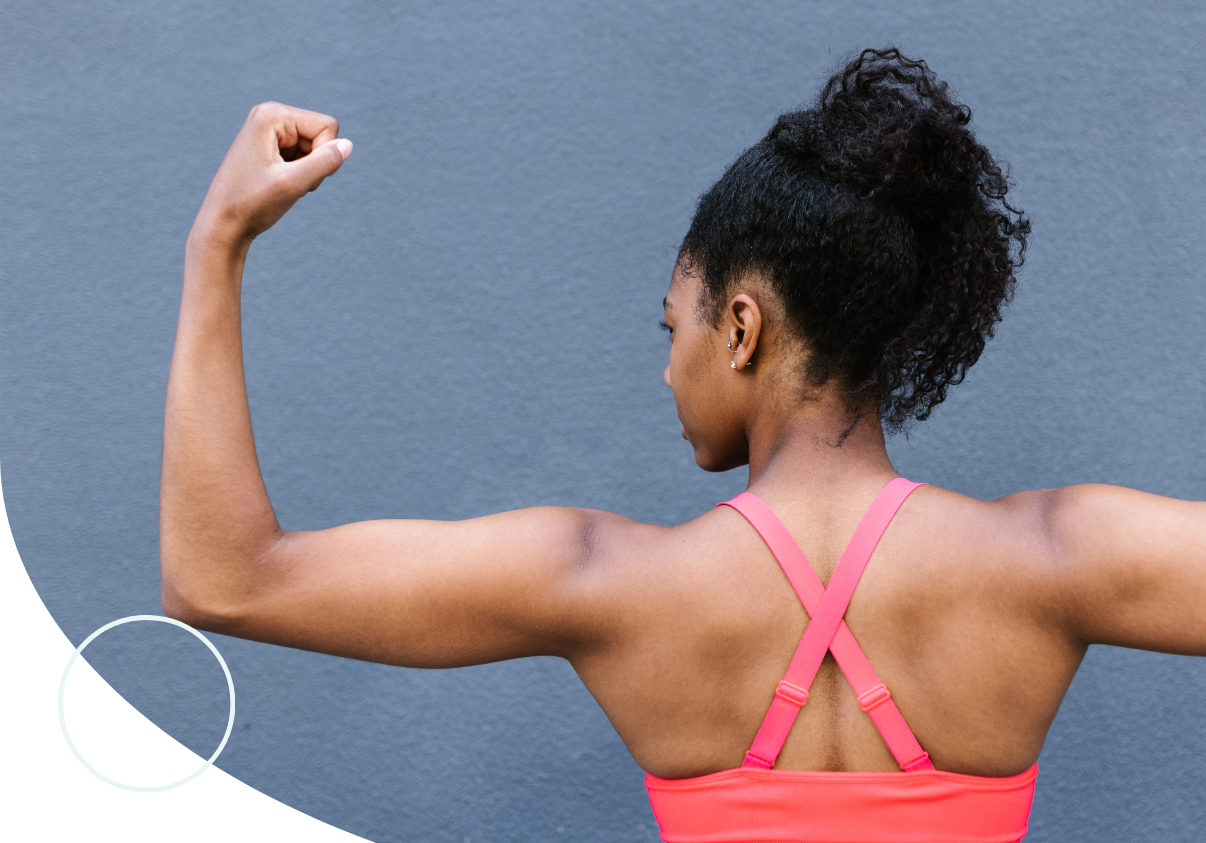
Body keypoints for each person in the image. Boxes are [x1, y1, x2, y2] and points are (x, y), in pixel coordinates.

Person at [160, 48, 1205, 842]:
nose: (668, 369)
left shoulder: (608, 583)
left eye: (677, 328)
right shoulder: (1063, 557)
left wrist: (219, 241)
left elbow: (225, 581)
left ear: (742, 328)